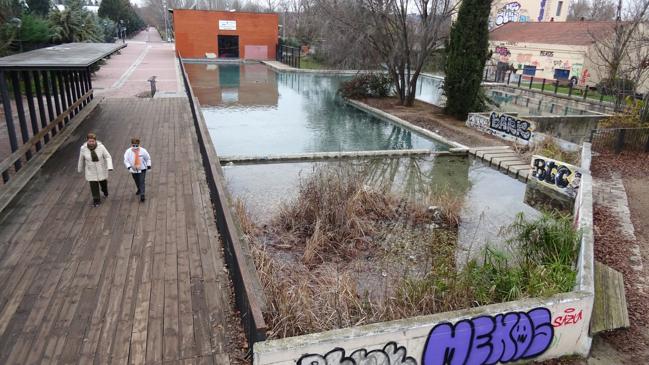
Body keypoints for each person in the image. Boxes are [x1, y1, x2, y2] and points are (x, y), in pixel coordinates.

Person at [78, 133, 113, 207]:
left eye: (92, 141)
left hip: (101, 169)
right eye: (89, 141)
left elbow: (108, 157)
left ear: (95, 141)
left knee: (103, 183)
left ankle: (105, 190)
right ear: (87, 141)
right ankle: (96, 200)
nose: (91, 143)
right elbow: (81, 159)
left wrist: (109, 166)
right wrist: (79, 168)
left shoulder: (101, 147)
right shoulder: (83, 149)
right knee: (93, 185)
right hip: (91, 170)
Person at [124, 137, 151, 202]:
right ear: (131, 144)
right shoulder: (128, 151)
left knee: (142, 181)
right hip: (133, 169)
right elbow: (126, 160)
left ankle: (142, 194)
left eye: (136, 145)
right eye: (134, 145)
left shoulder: (143, 151)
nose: (135, 147)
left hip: (142, 169)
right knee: (136, 180)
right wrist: (129, 167)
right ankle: (139, 189)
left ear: (139, 144)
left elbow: (148, 158)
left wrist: (149, 166)